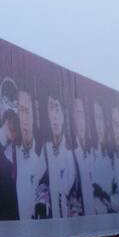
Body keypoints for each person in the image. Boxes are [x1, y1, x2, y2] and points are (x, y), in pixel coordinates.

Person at [43, 90, 76, 219]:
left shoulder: (72, 154)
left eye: (57, 109)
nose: (54, 116)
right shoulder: (45, 151)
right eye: (51, 109)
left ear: (63, 115)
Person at [15, 89, 45, 220]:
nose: (24, 118)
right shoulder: (12, 155)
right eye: (21, 110)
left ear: (34, 115)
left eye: (27, 111)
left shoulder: (44, 156)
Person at [0, 107, 19, 221]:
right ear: (7, 122)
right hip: (1, 203)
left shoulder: (13, 146)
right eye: (12, 127)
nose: (14, 132)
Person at [70, 95, 95, 216]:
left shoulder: (94, 153)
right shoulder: (70, 154)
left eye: (81, 113)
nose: (79, 120)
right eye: (76, 114)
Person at [91, 101, 114, 213]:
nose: (99, 124)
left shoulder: (114, 156)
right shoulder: (89, 155)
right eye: (96, 118)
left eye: (100, 118)